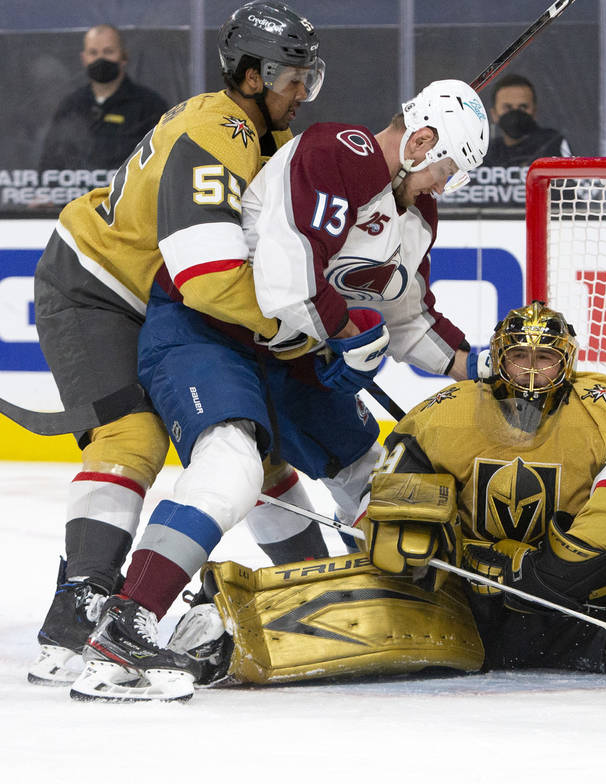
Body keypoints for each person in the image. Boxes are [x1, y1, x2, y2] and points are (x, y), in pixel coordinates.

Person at [162, 302, 606, 690]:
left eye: (546, 357)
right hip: (468, 601)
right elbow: (387, 509)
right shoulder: (444, 412)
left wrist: (555, 568)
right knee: (371, 602)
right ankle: (232, 630)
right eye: (520, 356)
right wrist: (423, 551)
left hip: (584, 600)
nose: (532, 370)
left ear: (569, 362)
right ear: (499, 360)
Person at [66, 79, 492, 703]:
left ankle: (393, 609)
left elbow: (408, 320)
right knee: (232, 463)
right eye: (448, 172)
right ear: (422, 142)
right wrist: (349, 335)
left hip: (293, 356)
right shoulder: (337, 153)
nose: (444, 188)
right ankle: (126, 623)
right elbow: (287, 278)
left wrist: (478, 365)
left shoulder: (415, 217)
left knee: (373, 477)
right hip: (208, 333)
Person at [28, 0, 326, 690]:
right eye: (289, 77)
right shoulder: (220, 134)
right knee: (132, 440)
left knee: (247, 442)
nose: (299, 92)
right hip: (96, 286)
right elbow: (211, 280)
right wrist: (292, 327)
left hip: (159, 303)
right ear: (250, 77)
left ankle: (313, 585)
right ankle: (78, 616)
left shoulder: (251, 131)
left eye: (308, 79)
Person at [38, 24, 168, 173]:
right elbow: (50, 162)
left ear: (124, 57)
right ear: (84, 58)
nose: (100, 59)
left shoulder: (150, 106)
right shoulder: (71, 106)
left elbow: (162, 163)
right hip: (79, 195)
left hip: (128, 195)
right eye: (93, 53)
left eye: (108, 52)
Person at [480, 73, 571, 167]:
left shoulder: (553, 145)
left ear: (534, 112)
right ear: (494, 114)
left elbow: (573, 179)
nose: (515, 113)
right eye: (508, 107)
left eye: (523, 107)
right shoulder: (482, 155)